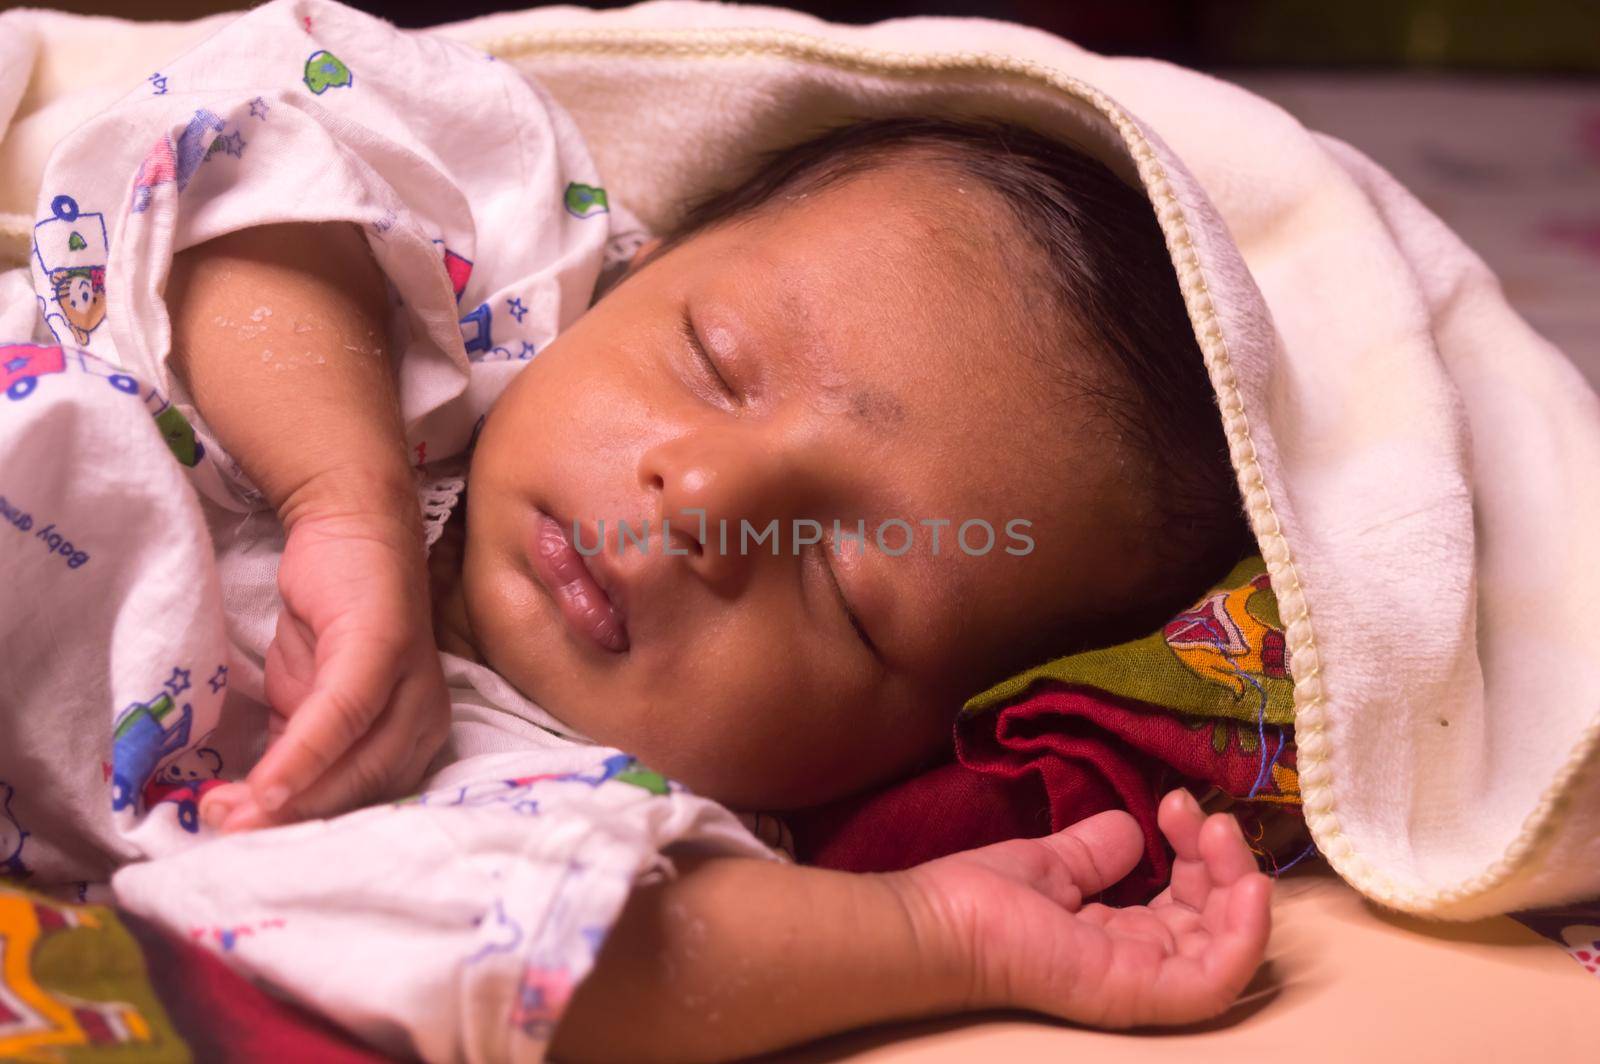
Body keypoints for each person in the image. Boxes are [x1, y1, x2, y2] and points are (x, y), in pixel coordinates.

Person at [0, 1, 1266, 1057]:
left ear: (878, 761)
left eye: (841, 585)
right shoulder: (485, 284)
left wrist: (933, 930)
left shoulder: (567, 802)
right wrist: (343, 490)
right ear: (642, 263)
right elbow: (251, 136)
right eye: (714, 362)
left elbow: (548, 962)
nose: (709, 502)